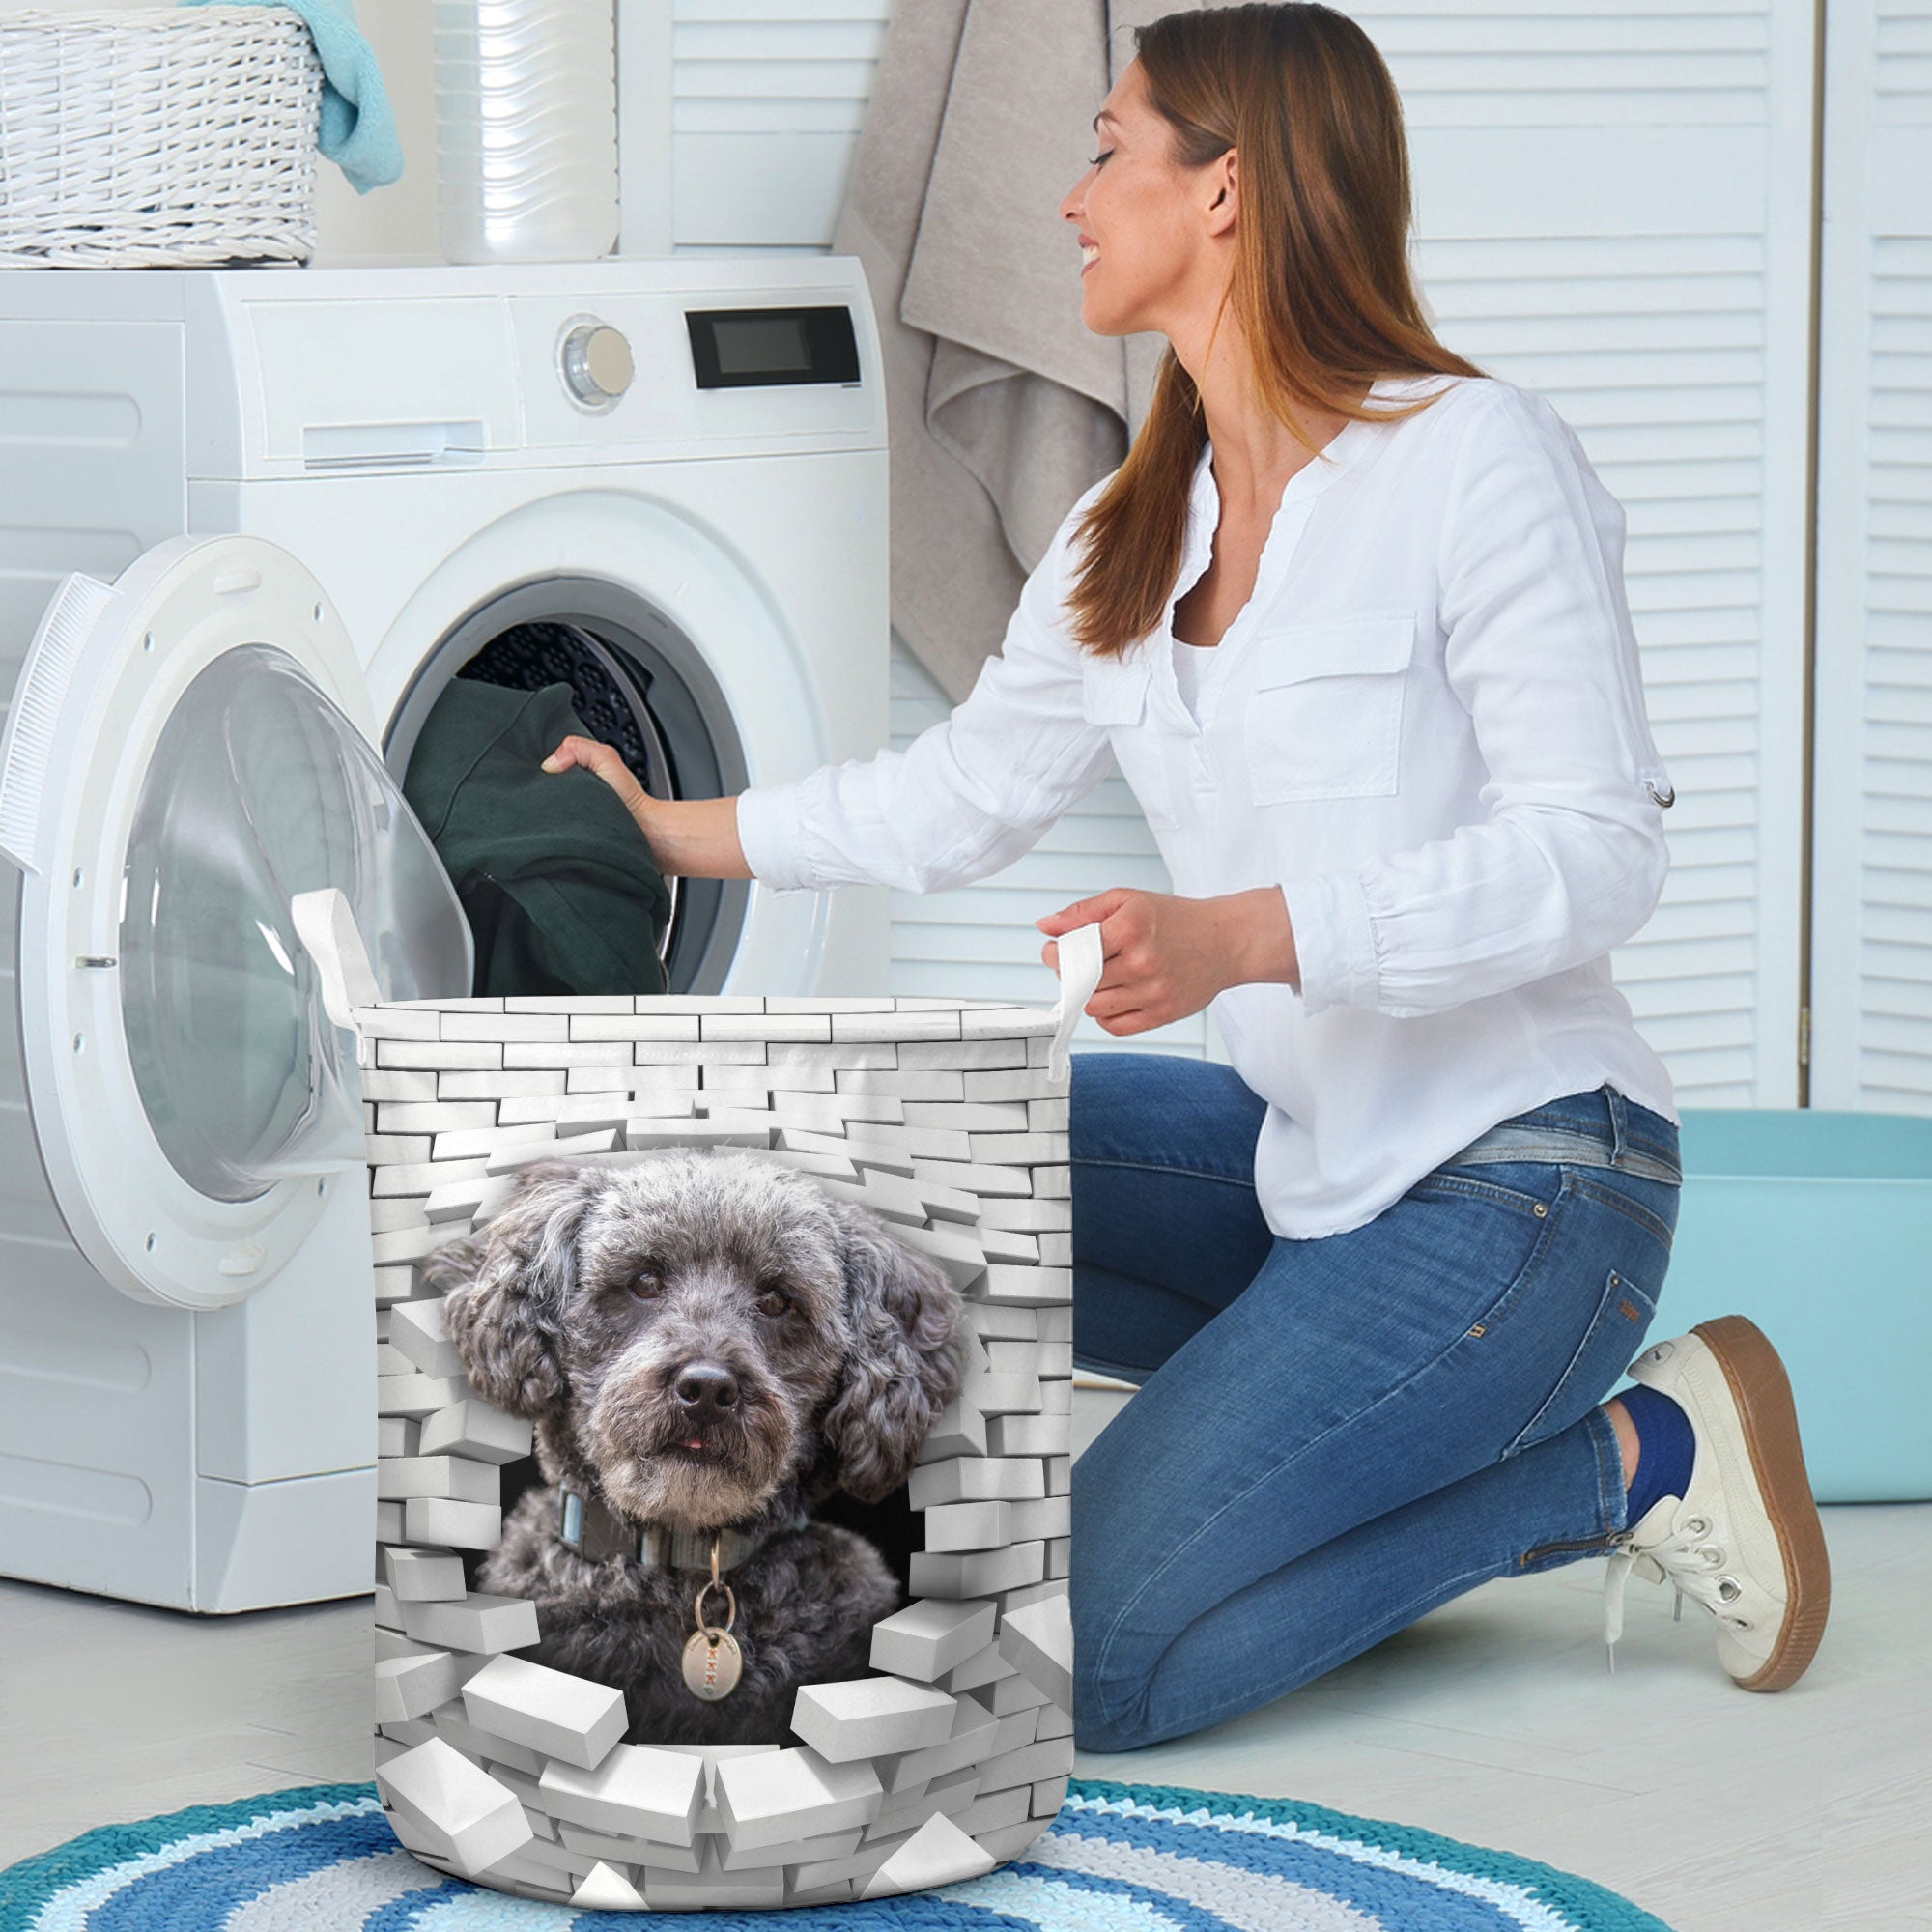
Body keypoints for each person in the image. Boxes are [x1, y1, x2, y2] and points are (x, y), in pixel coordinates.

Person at [542, 0, 1831, 1753]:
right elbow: (960, 796)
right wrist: (674, 825)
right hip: (1310, 1166)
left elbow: (1598, 854)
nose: (1072, 200)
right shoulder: (1130, 529)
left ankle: (1634, 1462)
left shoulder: (1474, 457)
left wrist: (1248, 938)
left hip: (1530, 1183)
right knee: (871, 1176)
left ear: (1225, 190)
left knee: (1085, 1662)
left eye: (1107, 152)